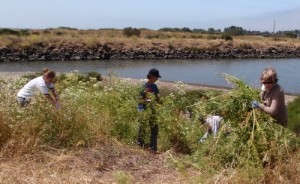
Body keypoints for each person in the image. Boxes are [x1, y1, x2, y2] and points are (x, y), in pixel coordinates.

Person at [137, 68, 161, 153]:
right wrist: (147, 100)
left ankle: (153, 148)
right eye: (156, 77)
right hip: (143, 109)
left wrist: (160, 103)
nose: (157, 79)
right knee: (142, 127)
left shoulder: (154, 86)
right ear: (151, 77)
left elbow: (158, 99)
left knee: (154, 127)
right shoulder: (144, 86)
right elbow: (140, 100)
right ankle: (140, 145)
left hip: (152, 109)